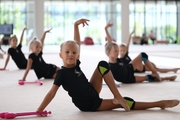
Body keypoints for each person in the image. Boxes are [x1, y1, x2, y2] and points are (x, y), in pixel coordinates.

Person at [35, 19, 179, 117]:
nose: (71, 55)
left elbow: (76, 43)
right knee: (126, 102)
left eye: (74, 52)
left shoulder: (76, 63)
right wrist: (39, 110)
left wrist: (75, 26)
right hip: (89, 103)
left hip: (92, 90)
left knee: (102, 65)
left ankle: (117, 95)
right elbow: (51, 93)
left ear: (78, 55)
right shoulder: (62, 74)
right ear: (60, 55)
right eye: (67, 52)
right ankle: (159, 103)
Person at [104, 22, 177, 83]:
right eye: (116, 51)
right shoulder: (109, 66)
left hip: (129, 68)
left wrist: (106, 29)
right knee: (150, 78)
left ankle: (155, 72)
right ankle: (167, 78)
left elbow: (110, 42)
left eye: (117, 50)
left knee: (143, 55)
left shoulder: (116, 57)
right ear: (109, 52)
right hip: (128, 79)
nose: (118, 52)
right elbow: (109, 79)